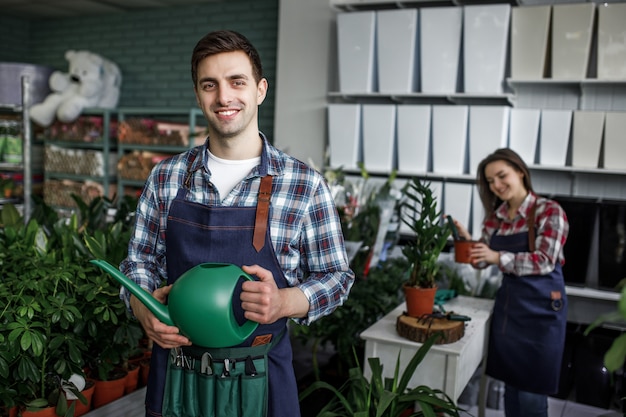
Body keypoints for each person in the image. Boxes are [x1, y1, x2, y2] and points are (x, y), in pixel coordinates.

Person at [118, 29, 355, 417]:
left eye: (236, 82)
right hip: (178, 375)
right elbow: (139, 262)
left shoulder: (303, 184)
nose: (224, 97)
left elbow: (336, 277)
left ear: (260, 89)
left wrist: (284, 301)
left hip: (261, 380)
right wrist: (142, 307)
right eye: (209, 85)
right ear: (198, 94)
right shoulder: (166, 178)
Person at [453, 148, 569, 417]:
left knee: (531, 395)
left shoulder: (549, 211)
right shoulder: (496, 217)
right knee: (511, 391)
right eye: (490, 181)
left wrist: (497, 256)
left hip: (542, 313)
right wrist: (468, 241)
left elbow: (544, 260)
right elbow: (482, 260)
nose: (496, 185)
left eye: (501, 176)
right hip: (511, 309)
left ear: (520, 172)